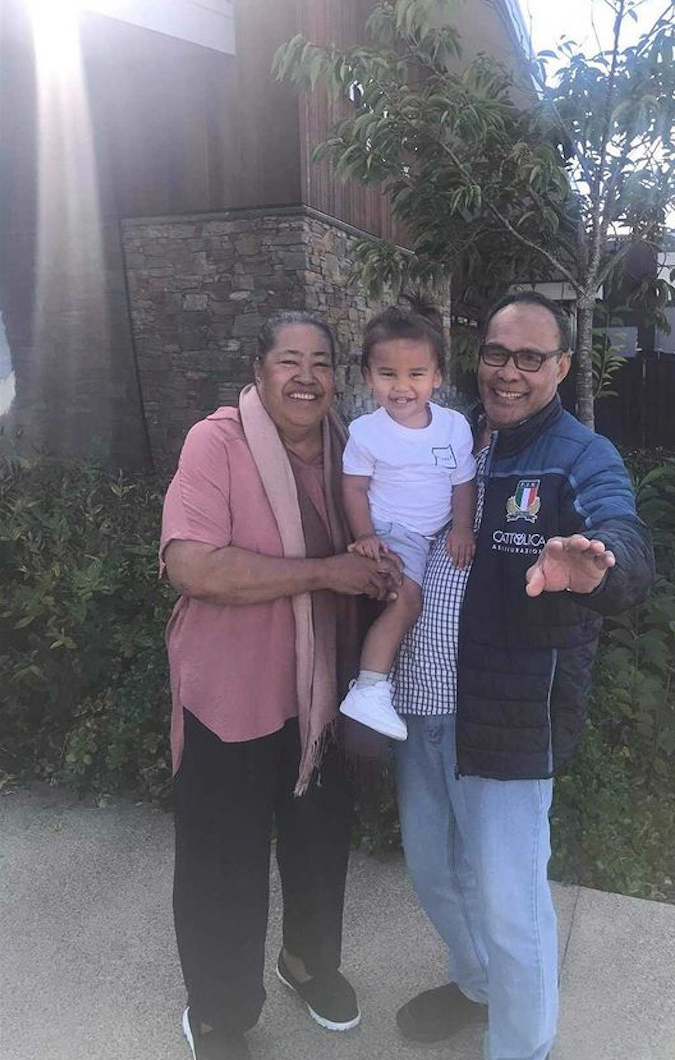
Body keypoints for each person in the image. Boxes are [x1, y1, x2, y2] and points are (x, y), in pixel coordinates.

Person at [391, 291, 655, 1060]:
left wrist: (595, 567)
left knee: (512, 906)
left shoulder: (578, 455)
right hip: (423, 701)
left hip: (507, 716)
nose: (508, 372)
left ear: (563, 367)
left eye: (530, 358)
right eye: (496, 354)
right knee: (435, 872)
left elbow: (624, 538)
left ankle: (522, 1046)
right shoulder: (449, 438)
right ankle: (476, 986)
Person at [160, 311, 401, 1060]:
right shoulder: (217, 442)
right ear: (259, 369)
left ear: (339, 376)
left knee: (319, 846)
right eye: (289, 360)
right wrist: (327, 571)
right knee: (222, 863)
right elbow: (191, 565)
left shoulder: (353, 451)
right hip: (228, 696)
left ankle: (306, 964)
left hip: (321, 695)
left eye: (322, 362)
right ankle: (220, 1013)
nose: (306, 376)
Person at [339, 306, 477, 740]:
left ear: (437, 376)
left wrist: (462, 528)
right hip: (395, 532)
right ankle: (370, 688)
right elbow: (354, 489)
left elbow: (463, 482)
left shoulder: (454, 427)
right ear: (368, 376)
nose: (402, 387)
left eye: (416, 374)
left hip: (435, 535)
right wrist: (365, 535)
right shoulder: (365, 432)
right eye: (388, 374)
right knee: (407, 602)